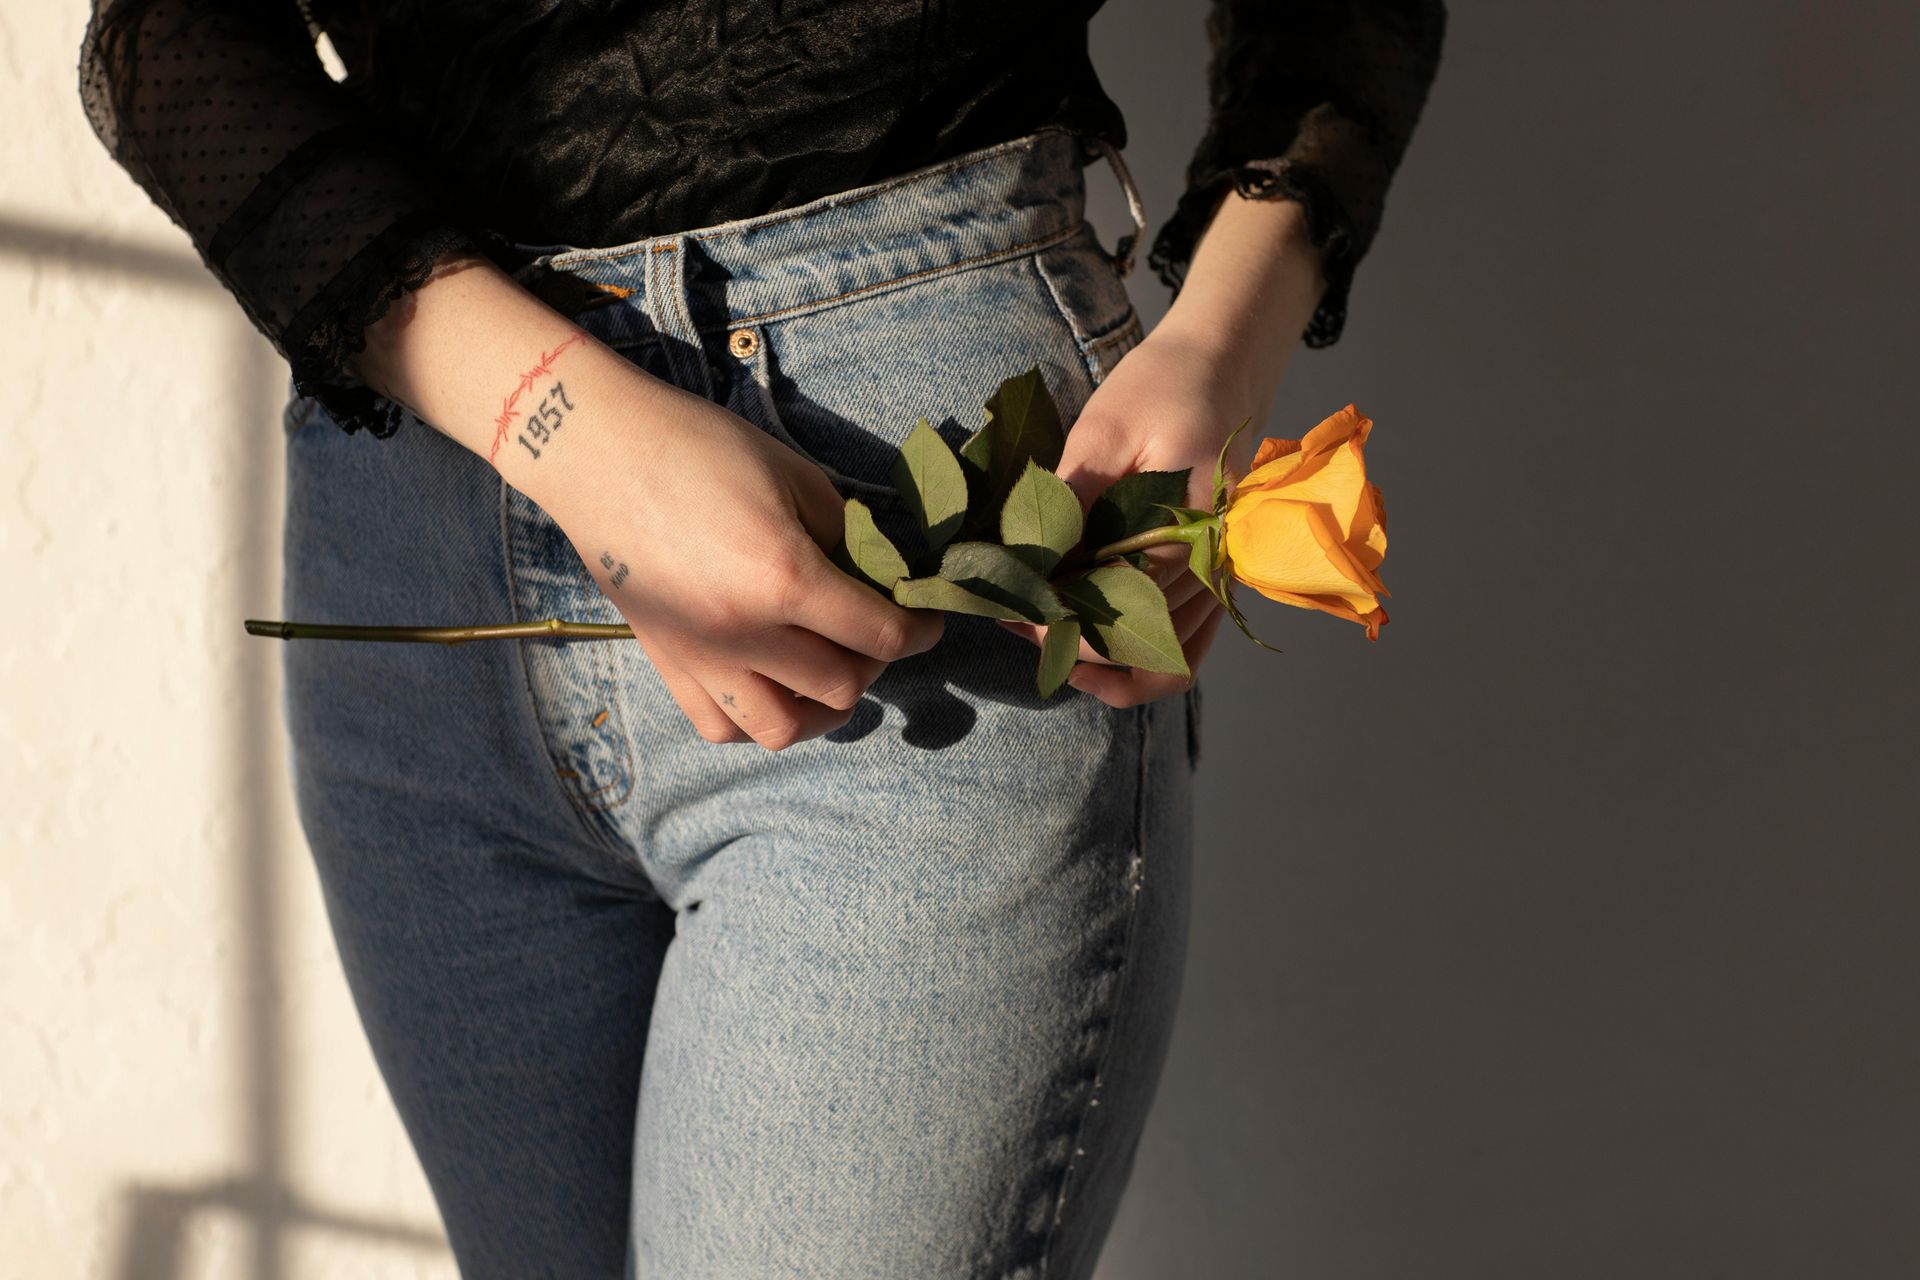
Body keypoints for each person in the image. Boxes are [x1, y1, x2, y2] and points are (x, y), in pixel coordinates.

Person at [77, 2, 1446, 1275]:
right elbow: (164, 33)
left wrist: (1222, 339)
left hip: (920, 495)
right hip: (413, 539)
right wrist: (556, 419)